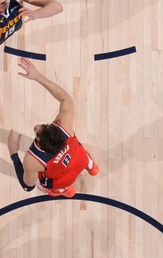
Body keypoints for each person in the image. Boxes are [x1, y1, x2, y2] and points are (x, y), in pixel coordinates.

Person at [7, 58, 99, 198]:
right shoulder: (65, 125)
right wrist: (38, 77)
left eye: (38, 133)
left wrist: (13, 153)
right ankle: (93, 168)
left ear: (42, 147)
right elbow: (65, 98)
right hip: (80, 159)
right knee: (83, 155)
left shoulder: (33, 160)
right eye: (43, 127)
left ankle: (66, 191)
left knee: (54, 186)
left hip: (63, 180)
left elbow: (27, 186)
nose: (36, 127)